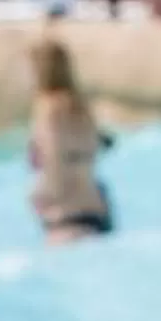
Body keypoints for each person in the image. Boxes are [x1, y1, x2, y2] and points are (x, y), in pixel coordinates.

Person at [28, 40, 113, 241]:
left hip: (65, 216)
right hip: (97, 211)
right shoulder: (82, 107)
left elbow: (53, 157)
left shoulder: (47, 109)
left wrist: (39, 196)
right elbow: (100, 145)